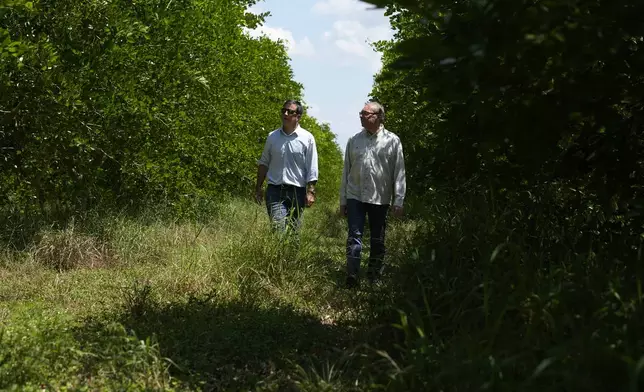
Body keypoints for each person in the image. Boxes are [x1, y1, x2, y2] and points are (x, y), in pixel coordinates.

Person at [339, 101, 406, 288]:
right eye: (361, 113)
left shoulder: (392, 141)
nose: (362, 116)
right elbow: (346, 171)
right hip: (355, 195)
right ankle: (352, 275)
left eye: (366, 113)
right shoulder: (354, 140)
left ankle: (374, 275)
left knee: (378, 238)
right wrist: (343, 200)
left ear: (378, 117)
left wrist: (398, 200)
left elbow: (399, 172)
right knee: (354, 235)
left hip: (380, 197)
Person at [255, 100, 318, 238]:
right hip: (275, 190)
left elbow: (312, 167)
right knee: (278, 229)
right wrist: (258, 187)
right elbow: (264, 162)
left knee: (293, 232)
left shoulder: (307, 138)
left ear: (298, 116)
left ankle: (290, 259)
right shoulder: (272, 137)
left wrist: (311, 191)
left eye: (290, 112)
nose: (285, 113)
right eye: (283, 110)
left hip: (297, 191)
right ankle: (278, 258)